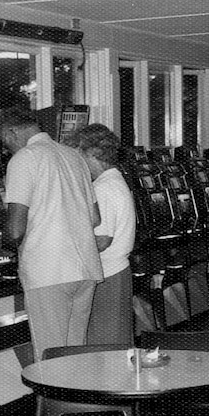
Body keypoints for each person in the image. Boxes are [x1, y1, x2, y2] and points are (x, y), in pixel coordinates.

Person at [0, 107, 103, 361]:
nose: (5, 148)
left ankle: (51, 401)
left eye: (4, 140)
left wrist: (0, 245)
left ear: (12, 132)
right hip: (85, 268)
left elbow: (14, 229)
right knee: (75, 355)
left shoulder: (24, 158)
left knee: (50, 359)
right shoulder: (74, 156)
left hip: (49, 272)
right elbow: (95, 218)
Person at [66, 124, 136, 346]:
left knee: (105, 345)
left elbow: (102, 240)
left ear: (93, 153)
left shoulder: (103, 188)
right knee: (115, 342)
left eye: (79, 154)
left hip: (107, 274)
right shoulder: (114, 181)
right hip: (117, 271)